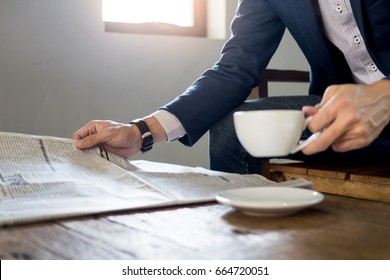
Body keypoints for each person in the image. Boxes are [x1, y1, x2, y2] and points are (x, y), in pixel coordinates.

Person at [72, 0, 390, 174]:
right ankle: (242, 244)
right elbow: (234, 70)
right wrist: (142, 131)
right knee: (233, 128)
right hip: (343, 125)